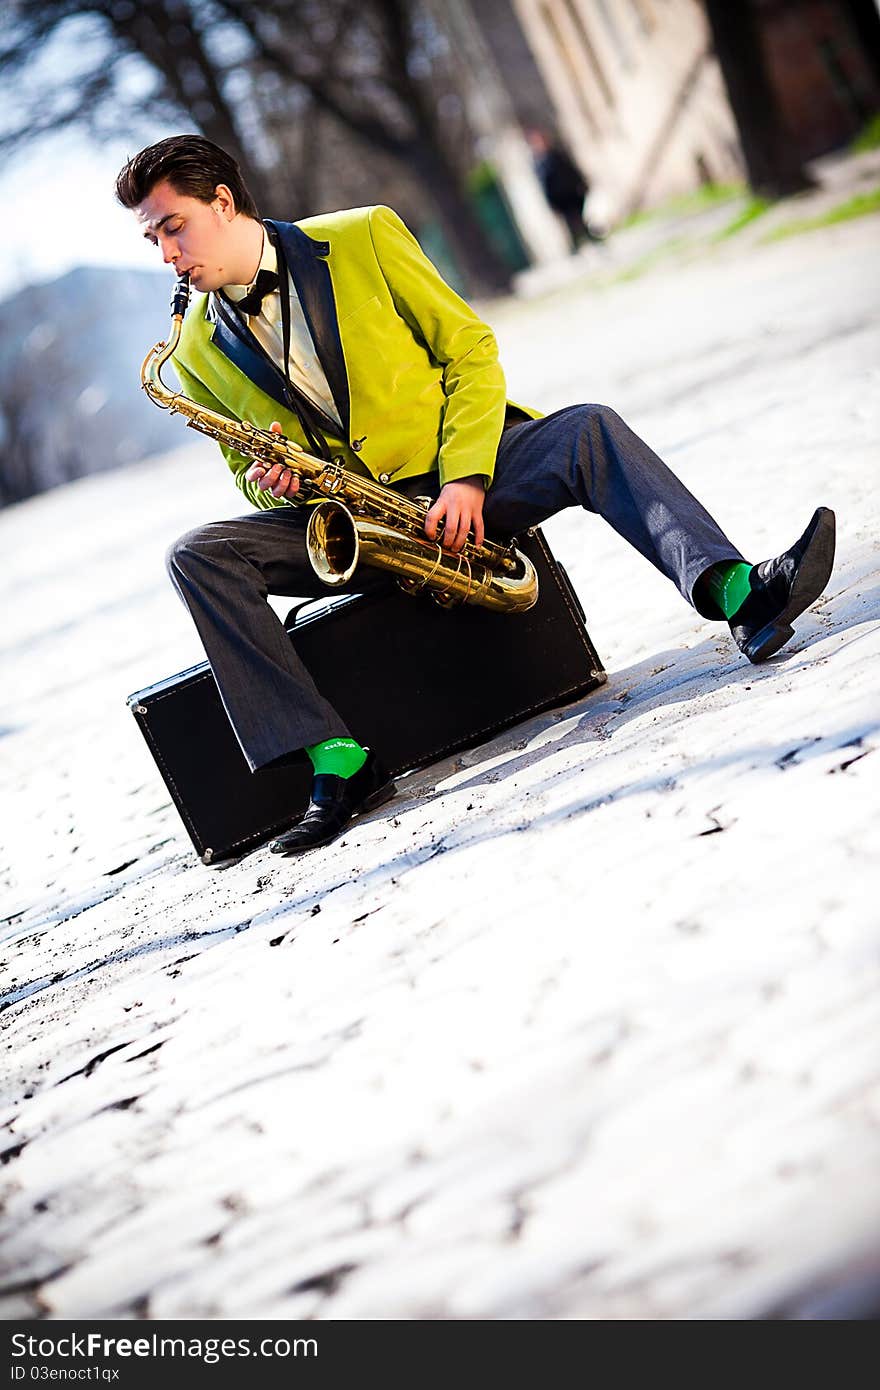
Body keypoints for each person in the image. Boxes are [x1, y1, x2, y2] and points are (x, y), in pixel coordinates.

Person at [116, 135, 836, 855]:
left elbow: (468, 351)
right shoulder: (192, 353)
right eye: (153, 238)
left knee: (588, 430)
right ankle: (335, 759)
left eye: (173, 226)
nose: (167, 254)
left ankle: (739, 593)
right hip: (352, 527)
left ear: (223, 201)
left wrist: (464, 477)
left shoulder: (363, 234)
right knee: (197, 555)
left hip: (459, 483)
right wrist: (275, 482)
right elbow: (242, 470)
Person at [525, 127, 601, 251]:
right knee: (572, 221)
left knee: (580, 216)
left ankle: (585, 238)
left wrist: (581, 182)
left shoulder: (556, 154)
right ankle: (578, 243)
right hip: (560, 199)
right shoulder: (539, 164)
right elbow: (544, 186)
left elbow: (571, 169)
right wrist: (551, 203)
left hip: (572, 192)